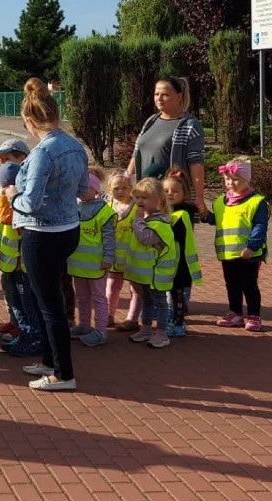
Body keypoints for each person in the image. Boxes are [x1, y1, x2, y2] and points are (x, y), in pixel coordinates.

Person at [3, 77, 87, 392]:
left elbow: (31, 202)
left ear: (28, 120)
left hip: (42, 234)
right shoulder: (75, 145)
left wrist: (12, 194)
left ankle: (63, 373)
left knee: (49, 305)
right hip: (68, 229)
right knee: (49, 299)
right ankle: (50, 361)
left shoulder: (42, 152)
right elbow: (81, 189)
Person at [202, 158, 269, 332]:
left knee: (249, 284)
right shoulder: (220, 201)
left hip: (248, 254)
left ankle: (254, 316)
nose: (230, 183)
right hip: (228, 253)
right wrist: (203, 214)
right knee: (232, 284)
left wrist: (252, 247)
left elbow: (260, 226)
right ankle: (235, 312)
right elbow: (217, 220)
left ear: (247, 179)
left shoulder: (257, 202)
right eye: (227, 179)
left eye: (235, 179)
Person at [127, 76, 208, 216]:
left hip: (171, 199)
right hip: (145, 197)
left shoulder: (189, 125)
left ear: (179, 96)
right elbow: (136, 153)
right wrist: (126, 180)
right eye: (156, 94)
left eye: (165, 95)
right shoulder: (151, 121)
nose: (159, 98)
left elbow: (196, 164)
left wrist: (199, 198)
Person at [0, 161, 45, 358]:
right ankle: (24, 334)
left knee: (28, 304)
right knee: (17, 302)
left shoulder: (18, 200)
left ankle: (34, 338)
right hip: (12, 262)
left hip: (22, 264)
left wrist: (3, 195)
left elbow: (6, 217)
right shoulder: (12, 198)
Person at [0, 139, 31, 342]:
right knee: (9, 289)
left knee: (23, 293)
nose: (3, 165)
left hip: (20, 256)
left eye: (7, 159)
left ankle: (24, 326)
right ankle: (14, 321)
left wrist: (5, 195)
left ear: (23, 158)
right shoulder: (4, 185)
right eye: (1, 161)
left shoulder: (20, 187)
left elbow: (7, 216)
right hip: (8, 251)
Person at [124, 177, 176, 349]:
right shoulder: (147, 220)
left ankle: (161, 332)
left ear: (158, 200)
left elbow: (146, 239)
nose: (139, 201)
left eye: (144, 198)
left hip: (158, 273)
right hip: (147, 273)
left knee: (160, 302)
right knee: (146, 299)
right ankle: (146, 328)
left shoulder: (159, 222)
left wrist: (137, 221)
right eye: (137, 197)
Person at [67, 170, 117, 347]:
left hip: (97, 265)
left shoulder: (105, 211)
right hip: (77, 264)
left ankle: (101, 331)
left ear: (96, 190)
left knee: (99, 298)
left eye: (86, 187)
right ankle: (84, 325)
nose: (82, 191)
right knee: (81, 296)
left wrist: (108, 258)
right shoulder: (73, 207)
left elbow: (110, 238)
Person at [162, 168, 203, 337]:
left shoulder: (182, 214)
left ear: (184, 194)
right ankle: (171, 320)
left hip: (179, 264)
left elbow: (176, 236)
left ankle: (179, 323)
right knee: (168, 295)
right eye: (166, 191)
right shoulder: (164, 212)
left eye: (175, 191)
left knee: (177, 296)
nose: (170, 194)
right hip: (167, 263)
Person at [106, 170, 141, 332]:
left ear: (131, 188)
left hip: (133, 258)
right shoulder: (107, 207)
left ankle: (132, 319)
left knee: (135, 289)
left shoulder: (138, 208)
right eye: (116, 188)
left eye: (124, 188)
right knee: (111, 289)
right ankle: (108, 315)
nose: (120, 191)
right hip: (113, 259)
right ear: (109, 190)